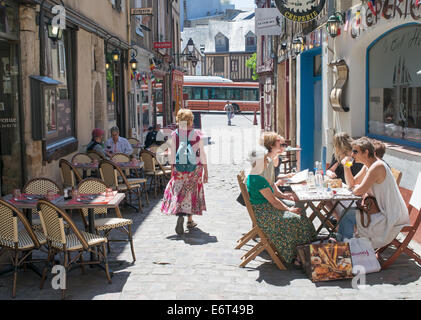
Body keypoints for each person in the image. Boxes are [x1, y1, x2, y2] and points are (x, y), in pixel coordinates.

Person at [246, 148, 317, 267]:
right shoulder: (257, 178)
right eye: (265, 159)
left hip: (264, 209)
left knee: (299, 217)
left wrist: (285, 199)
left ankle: (301, 253)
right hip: (265, 214)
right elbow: (274, 202)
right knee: (302, 221)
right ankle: (299, 255)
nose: (267, 161)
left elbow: (273, 190)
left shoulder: (257, 174)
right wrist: (289, 210)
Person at [337, 137, 409, 249]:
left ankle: (346, 250)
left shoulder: (377, 166)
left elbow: (358, 191)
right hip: (378, 209)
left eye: (355, 151)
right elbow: (352, 184)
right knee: (345, 213)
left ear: (366, 152)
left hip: (389, 215)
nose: (352, 155)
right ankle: (342, 247)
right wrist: (347, 167)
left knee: (347, 215)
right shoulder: (368, 165)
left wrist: (357, 187)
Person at [161, 109, 208, 235]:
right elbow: (202, 153)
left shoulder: (174, 134)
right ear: (190, 120)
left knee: (180, 192)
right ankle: (190, 220)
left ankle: (180, 215)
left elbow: (171, 154)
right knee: (191, 193)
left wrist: (172, 169)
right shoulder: (196, 134)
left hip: (179, 168)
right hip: (195, 168)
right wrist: (206, 171)